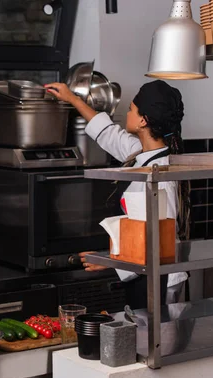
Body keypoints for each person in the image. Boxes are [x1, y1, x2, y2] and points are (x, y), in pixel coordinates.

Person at [45, 79, 190, 309]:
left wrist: (112, 261)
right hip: (142, 274)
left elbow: (162, 242)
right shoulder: (141, 153)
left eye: (131, 109)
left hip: (161, 281)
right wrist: (72, 99)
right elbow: (108, 133)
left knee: (158, 341)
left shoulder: (161, 176)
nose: (126, 114)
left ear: (143, 121)